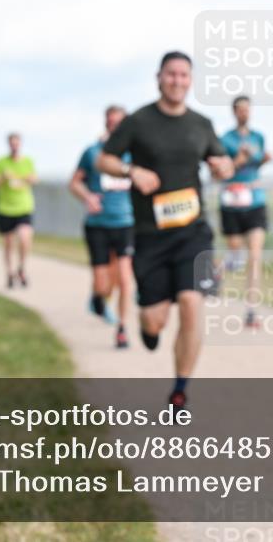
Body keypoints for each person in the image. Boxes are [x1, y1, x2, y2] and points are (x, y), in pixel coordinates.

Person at [97, 51, 234, 408]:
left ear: (190, 81)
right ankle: (148, 329)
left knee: (192, 303)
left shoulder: (201, 124)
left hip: (192, 232)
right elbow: (105, 159)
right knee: (154, 320)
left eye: (184, 75)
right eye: (171, 74)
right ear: (159, 78)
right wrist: (132, 172)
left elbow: (220, 161)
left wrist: (223, 167)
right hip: (149, 235)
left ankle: (179, 389)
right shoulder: (138, 121)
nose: (177, 80)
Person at [70, 105, 136, 349]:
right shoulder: (92, 152)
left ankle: (122, 329)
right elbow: (74, 183)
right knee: (102, 283)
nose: (114, 127)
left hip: (126, 223)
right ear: (105, 123)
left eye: (119, 123)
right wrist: (87, 197)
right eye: (111, 122)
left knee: (125, 278)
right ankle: (97, 297)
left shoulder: (133, 154)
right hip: (97, 225)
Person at [219, 95, 272, 328]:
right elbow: (223, 170)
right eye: (240, 110)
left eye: (247, 109)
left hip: (255, 199)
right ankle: (218, 272)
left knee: (254, 255)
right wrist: (239, 160)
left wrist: (262, 160)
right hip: (232, 200)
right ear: (234, 112)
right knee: (235, 255)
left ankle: (251, 310)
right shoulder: (225, 140)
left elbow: (257, 161)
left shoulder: (258, 136)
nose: (244, 113)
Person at [0, 133, 37, 289]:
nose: (14, 146)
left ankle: (21, 268)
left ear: (20, 144)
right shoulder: (1, 162)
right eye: (12, 143)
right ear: (8, 144)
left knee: (24, 239)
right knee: (8, 243)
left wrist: (28, 179)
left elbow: (35, 179)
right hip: (5, 208)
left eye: (17, 143)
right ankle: (9, 273)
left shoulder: (28, 161)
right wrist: (3, 178)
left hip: (24, 207)